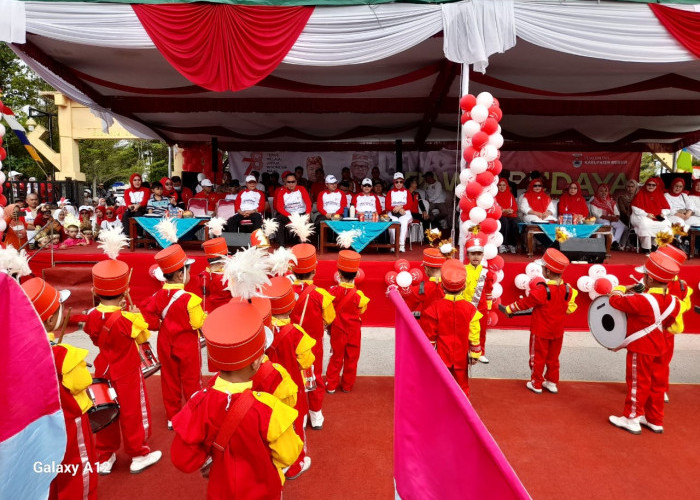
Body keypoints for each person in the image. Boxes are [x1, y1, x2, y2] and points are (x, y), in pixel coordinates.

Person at [170, 300, 303, 499]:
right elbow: (289, 454)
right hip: (263, 490)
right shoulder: (269, 409)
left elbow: (183, 459)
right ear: (257, 360)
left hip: (220, 490)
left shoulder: (199, 402)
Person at [22, 278, 98, 500]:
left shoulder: (17, 353)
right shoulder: (63, 354)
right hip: (68, 423)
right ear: (50, 319)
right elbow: (82, 382)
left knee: (49, 471)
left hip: (38, 425)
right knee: (77, 470)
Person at [84, 259, 162, 474]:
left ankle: (105, 456)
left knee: (104, 409)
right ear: (123, 293)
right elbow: (144, 338)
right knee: (132, 412)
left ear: (96, 291)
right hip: (127, 370)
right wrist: (137, 317)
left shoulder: (91, 315)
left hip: (103, 368)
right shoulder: (128, 318)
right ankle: (138, 453)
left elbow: (93, 338)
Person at [607, 252, 680, 434]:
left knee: (637, 383)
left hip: (641, 348)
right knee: (657, 384)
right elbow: (669, 324)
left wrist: (622, 288)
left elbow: (614, 300)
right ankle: (654, 419)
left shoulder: (641, 300)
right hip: (659, 347)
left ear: (648, 278)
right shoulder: (674, 302)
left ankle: (632, 418)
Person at [140, 244, 205, 430]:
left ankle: (173, 416)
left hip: (165, 341)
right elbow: (198, 323)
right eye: (188, 270)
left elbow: (149, 319)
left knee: (169, 380)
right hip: (187, 344)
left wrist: (161, 323)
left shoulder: (157, 295)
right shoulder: (190, 299)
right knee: (192, 379)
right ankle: (194, 413)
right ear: (179, 275)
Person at [501, 248, 578, 394]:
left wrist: (509, 309)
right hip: (558, 331)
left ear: (548, 272)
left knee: (537, 357)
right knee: (553, 358)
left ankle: (536, 383)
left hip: (540, 330)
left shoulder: (542, 289)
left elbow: (526, 303)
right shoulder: (568, 289)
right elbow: (569, 307)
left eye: (543, 268)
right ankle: (552, 382)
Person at [262, 276, 316, 480]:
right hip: (291, 387)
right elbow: (307, 361)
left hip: (267, 384)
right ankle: (295, 464)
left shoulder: (261, 330)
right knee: (296, 423)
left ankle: (273, 460)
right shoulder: (297, 334)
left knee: (269, 422)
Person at [289, 243, 336, 430]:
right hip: (312, 344)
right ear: (314, 270)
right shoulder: (321, 295)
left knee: (292, 377)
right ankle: (315, 414)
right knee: (314, 377)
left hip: (289, 342)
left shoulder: (284, 290)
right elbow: (330, 318)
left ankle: (297, 414)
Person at [420, 259, 482, 397]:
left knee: (441, 383)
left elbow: (430, 335)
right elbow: (474, 334)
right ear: (464, 286)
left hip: (442, 354)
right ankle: (463, 411)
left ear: (442, 286)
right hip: (461, 355)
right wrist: (475, 353)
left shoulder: (434, 308)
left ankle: (442, 408)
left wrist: (429, 355)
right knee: (462, 384)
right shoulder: (471, 309)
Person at [325, 250, 370, 394]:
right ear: (356, 275)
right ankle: (347, 385)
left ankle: (331, 385)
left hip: (338, 329)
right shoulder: (359, 295)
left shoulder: (331, 292)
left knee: (336, 357)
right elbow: (362, 310)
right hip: (354, 330)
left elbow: (327, 310)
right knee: (352, 357)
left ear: (338, 274)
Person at [462, 234, 496, 364]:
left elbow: (488, 290)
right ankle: (465, 350)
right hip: (465, 305)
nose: (476, 256)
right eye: (472, 254)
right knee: (465, 330)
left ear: (482, 256)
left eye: (478, 254)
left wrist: (487, 307)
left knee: (481, 331)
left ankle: (480, 351)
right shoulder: (463, 270)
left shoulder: (487, 273)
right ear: (468, 256)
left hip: (480, 307)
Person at [401, 248, 446, 319]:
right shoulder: (450, 286)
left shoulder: (421, 288)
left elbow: (406, 306)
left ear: (426, 269)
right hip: (446, 325)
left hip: (427, 326)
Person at [630, 177, 672, 254]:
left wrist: (663, 213)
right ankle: (646, 247)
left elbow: (667, 208)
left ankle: (655, 245)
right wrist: (646, 214)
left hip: (657, 215)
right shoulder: (641, 194)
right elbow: (634, 207)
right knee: (645, 224)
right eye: (649, 184)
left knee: (666, 224)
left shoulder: (659, 195)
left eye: (653, 185)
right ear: (645, 185)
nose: (651, 186)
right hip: (641, 215)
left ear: (656, 186)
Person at [273, 172, 312, 246]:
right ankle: (281, 245)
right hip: (288, 214)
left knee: (310, 223)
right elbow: (279, 207)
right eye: (289, 182)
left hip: (301, 213)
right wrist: (290, 216)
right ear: (285, 182)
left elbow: (308, 202)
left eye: (293, 182)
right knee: (277, 220)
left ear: (296, 182)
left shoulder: (301, 189)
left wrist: (308, 213)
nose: (291, 184)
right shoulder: (281, 191)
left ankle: (305, 245)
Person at [590, 183, 627, 250]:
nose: (604, 193)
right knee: (606, 224)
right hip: (600, 219)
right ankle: (613, 242)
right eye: (601, 191)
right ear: (597, 192)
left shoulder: (611, 201)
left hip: (611, 218)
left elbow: (616, 212)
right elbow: (595, 214)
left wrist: (617, 217)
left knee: (621, 226)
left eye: (605, 191)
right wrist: (608, 218)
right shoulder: (594, 201)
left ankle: (614, 244)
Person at [198, 238, 231, 313]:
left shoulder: (204, 275)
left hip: (210, 311)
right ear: (224, 258)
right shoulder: (226, 278)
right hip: (227, 311)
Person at [386, 172, 415, 253]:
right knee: (392, 223)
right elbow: (387, 206)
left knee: (404, 222)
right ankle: (393, 245)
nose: (398, 184)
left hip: (405, 213)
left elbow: (410, 204)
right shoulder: (390, 192)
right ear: (394, 182)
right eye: (397, 182)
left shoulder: (407, 192)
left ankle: (401, 245)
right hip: (393, 212)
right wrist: (397, 208)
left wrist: (401, 207)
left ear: (403, 182)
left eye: (400, 182)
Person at [495, 177, 518, 253]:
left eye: (504, 185)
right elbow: (495, 206)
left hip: (509, 215)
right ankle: (503, 244)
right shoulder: (495, 195)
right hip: (499, 215)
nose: (502, 187)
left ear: (507, 186)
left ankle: (512, 244)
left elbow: (514, 207)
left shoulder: (510, 195)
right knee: (504, 222)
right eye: (500, 185)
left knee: (514, 222)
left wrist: (511, 210)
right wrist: (504, 210)